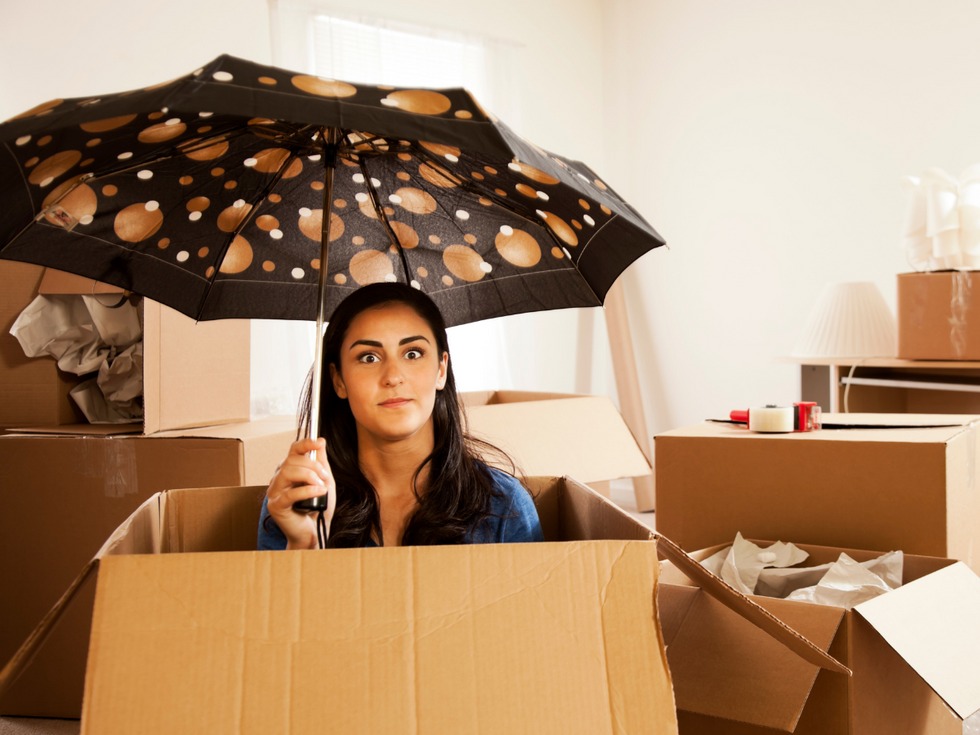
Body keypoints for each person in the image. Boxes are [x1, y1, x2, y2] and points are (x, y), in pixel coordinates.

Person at [258, 282, 544, 549]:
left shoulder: (504, 506)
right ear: (338, 380)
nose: (393, 377)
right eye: (369, 357)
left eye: (413, 353)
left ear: (441, 369)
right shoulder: (297, 499)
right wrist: (305, 543)